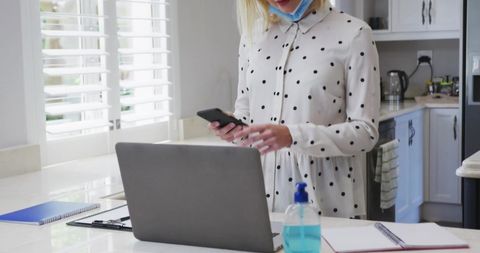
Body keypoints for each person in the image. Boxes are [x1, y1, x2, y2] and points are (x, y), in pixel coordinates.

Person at [209, 0, 380, 218]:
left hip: (324, 201)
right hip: (259, 201)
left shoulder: (354, 34)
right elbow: (247, 119)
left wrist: (293, 136)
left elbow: (366, 132)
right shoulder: (252, 37)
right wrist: (233, 129)